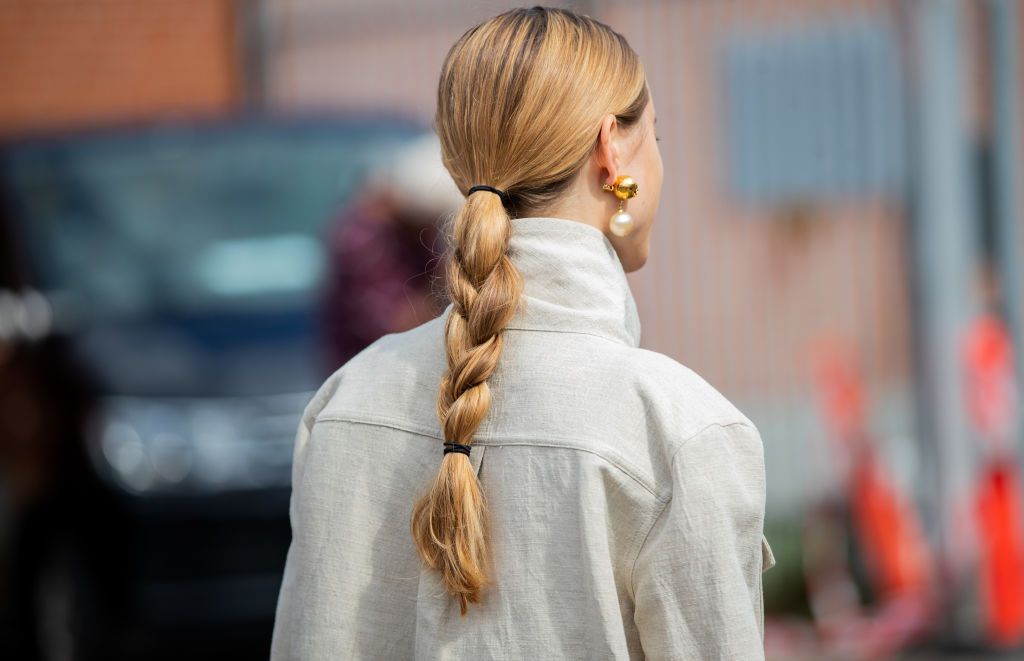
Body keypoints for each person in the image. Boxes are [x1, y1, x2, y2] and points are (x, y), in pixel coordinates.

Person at [271, 6, 774, 660]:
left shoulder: (344, 402)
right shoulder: (679, 432)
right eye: (657, 134)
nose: (660, 161)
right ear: (611, 149)